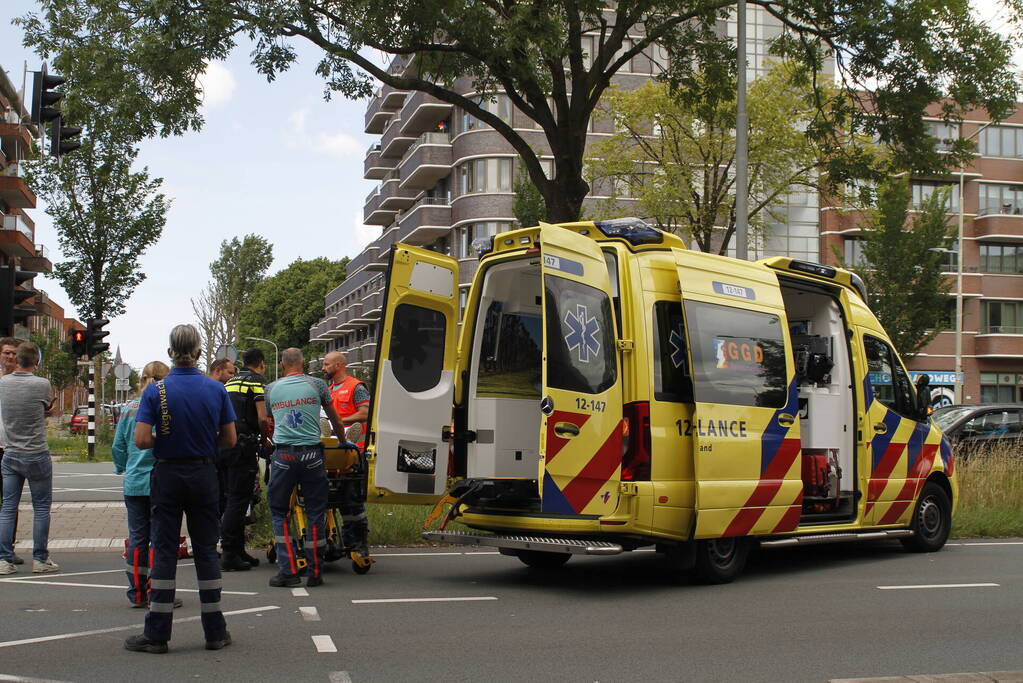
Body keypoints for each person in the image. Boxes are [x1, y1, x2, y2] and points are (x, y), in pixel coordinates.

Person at [124, 324, 236, 655]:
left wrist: (169, 441)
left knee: (165, 548)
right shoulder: (215, 390)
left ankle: (157, 634)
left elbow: (142, 439)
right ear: (200, 353)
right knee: (205, 550)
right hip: (203, 474)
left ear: (170, 352)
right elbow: (229, 439)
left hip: (168, 475)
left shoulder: (155, 391)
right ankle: (215, 631)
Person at [265, 347, 344, 588]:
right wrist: (342, 441)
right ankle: (315, 571)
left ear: (282, 365)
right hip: (312, 455)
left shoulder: (271, 389)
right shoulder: (318, 385)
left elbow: (269, 420)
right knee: (315, 512)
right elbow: (335, 419)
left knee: (279, 512)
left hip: (284, 456)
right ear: (303, 363)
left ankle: (288, 571)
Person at [112, 361, 182, 608]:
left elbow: (119, 445)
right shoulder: (167, 405)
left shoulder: (129, 408)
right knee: (161, 539)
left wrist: (122, 466)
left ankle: (137, 592)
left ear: (142, 380)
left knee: (137, 539)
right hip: (162, 479)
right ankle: (158, 592)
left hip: (134, 482)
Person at [0, 342, 59, 574]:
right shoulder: (42, 384)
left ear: (18, 359)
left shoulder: (2, 383)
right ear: (36, 361)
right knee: (41, 507)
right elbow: (47, 409)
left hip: (11, 452)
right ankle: (40, 559)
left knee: (8, 508)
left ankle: (4, 560)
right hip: (36, 452)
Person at [219, 348, 268, 572]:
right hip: (243, 445)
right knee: (239, 500)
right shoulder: (258, 381)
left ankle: (238, 550)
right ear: (261, 364)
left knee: (230, 498)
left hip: (224, 444)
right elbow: (262, 417)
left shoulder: (229, 383)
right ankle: (229, 553)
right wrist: (266, 439)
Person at [322, 351, 371, 556]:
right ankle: (333, 540)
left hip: (353, 454)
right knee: (331, 500)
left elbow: (366, 412)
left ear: (339, 365)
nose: (323, 368)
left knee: (352, 501)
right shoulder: (329, 389)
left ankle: (358, 542)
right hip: (333, 453)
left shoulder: (356, 387)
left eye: (326, 364)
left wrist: (340, 422)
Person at [0, 337, 25, 566]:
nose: (9, 357)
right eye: (6, 352)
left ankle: (8, 549)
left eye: (13, 353)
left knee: (10, 502)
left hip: (12, 446)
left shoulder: (21, 382)